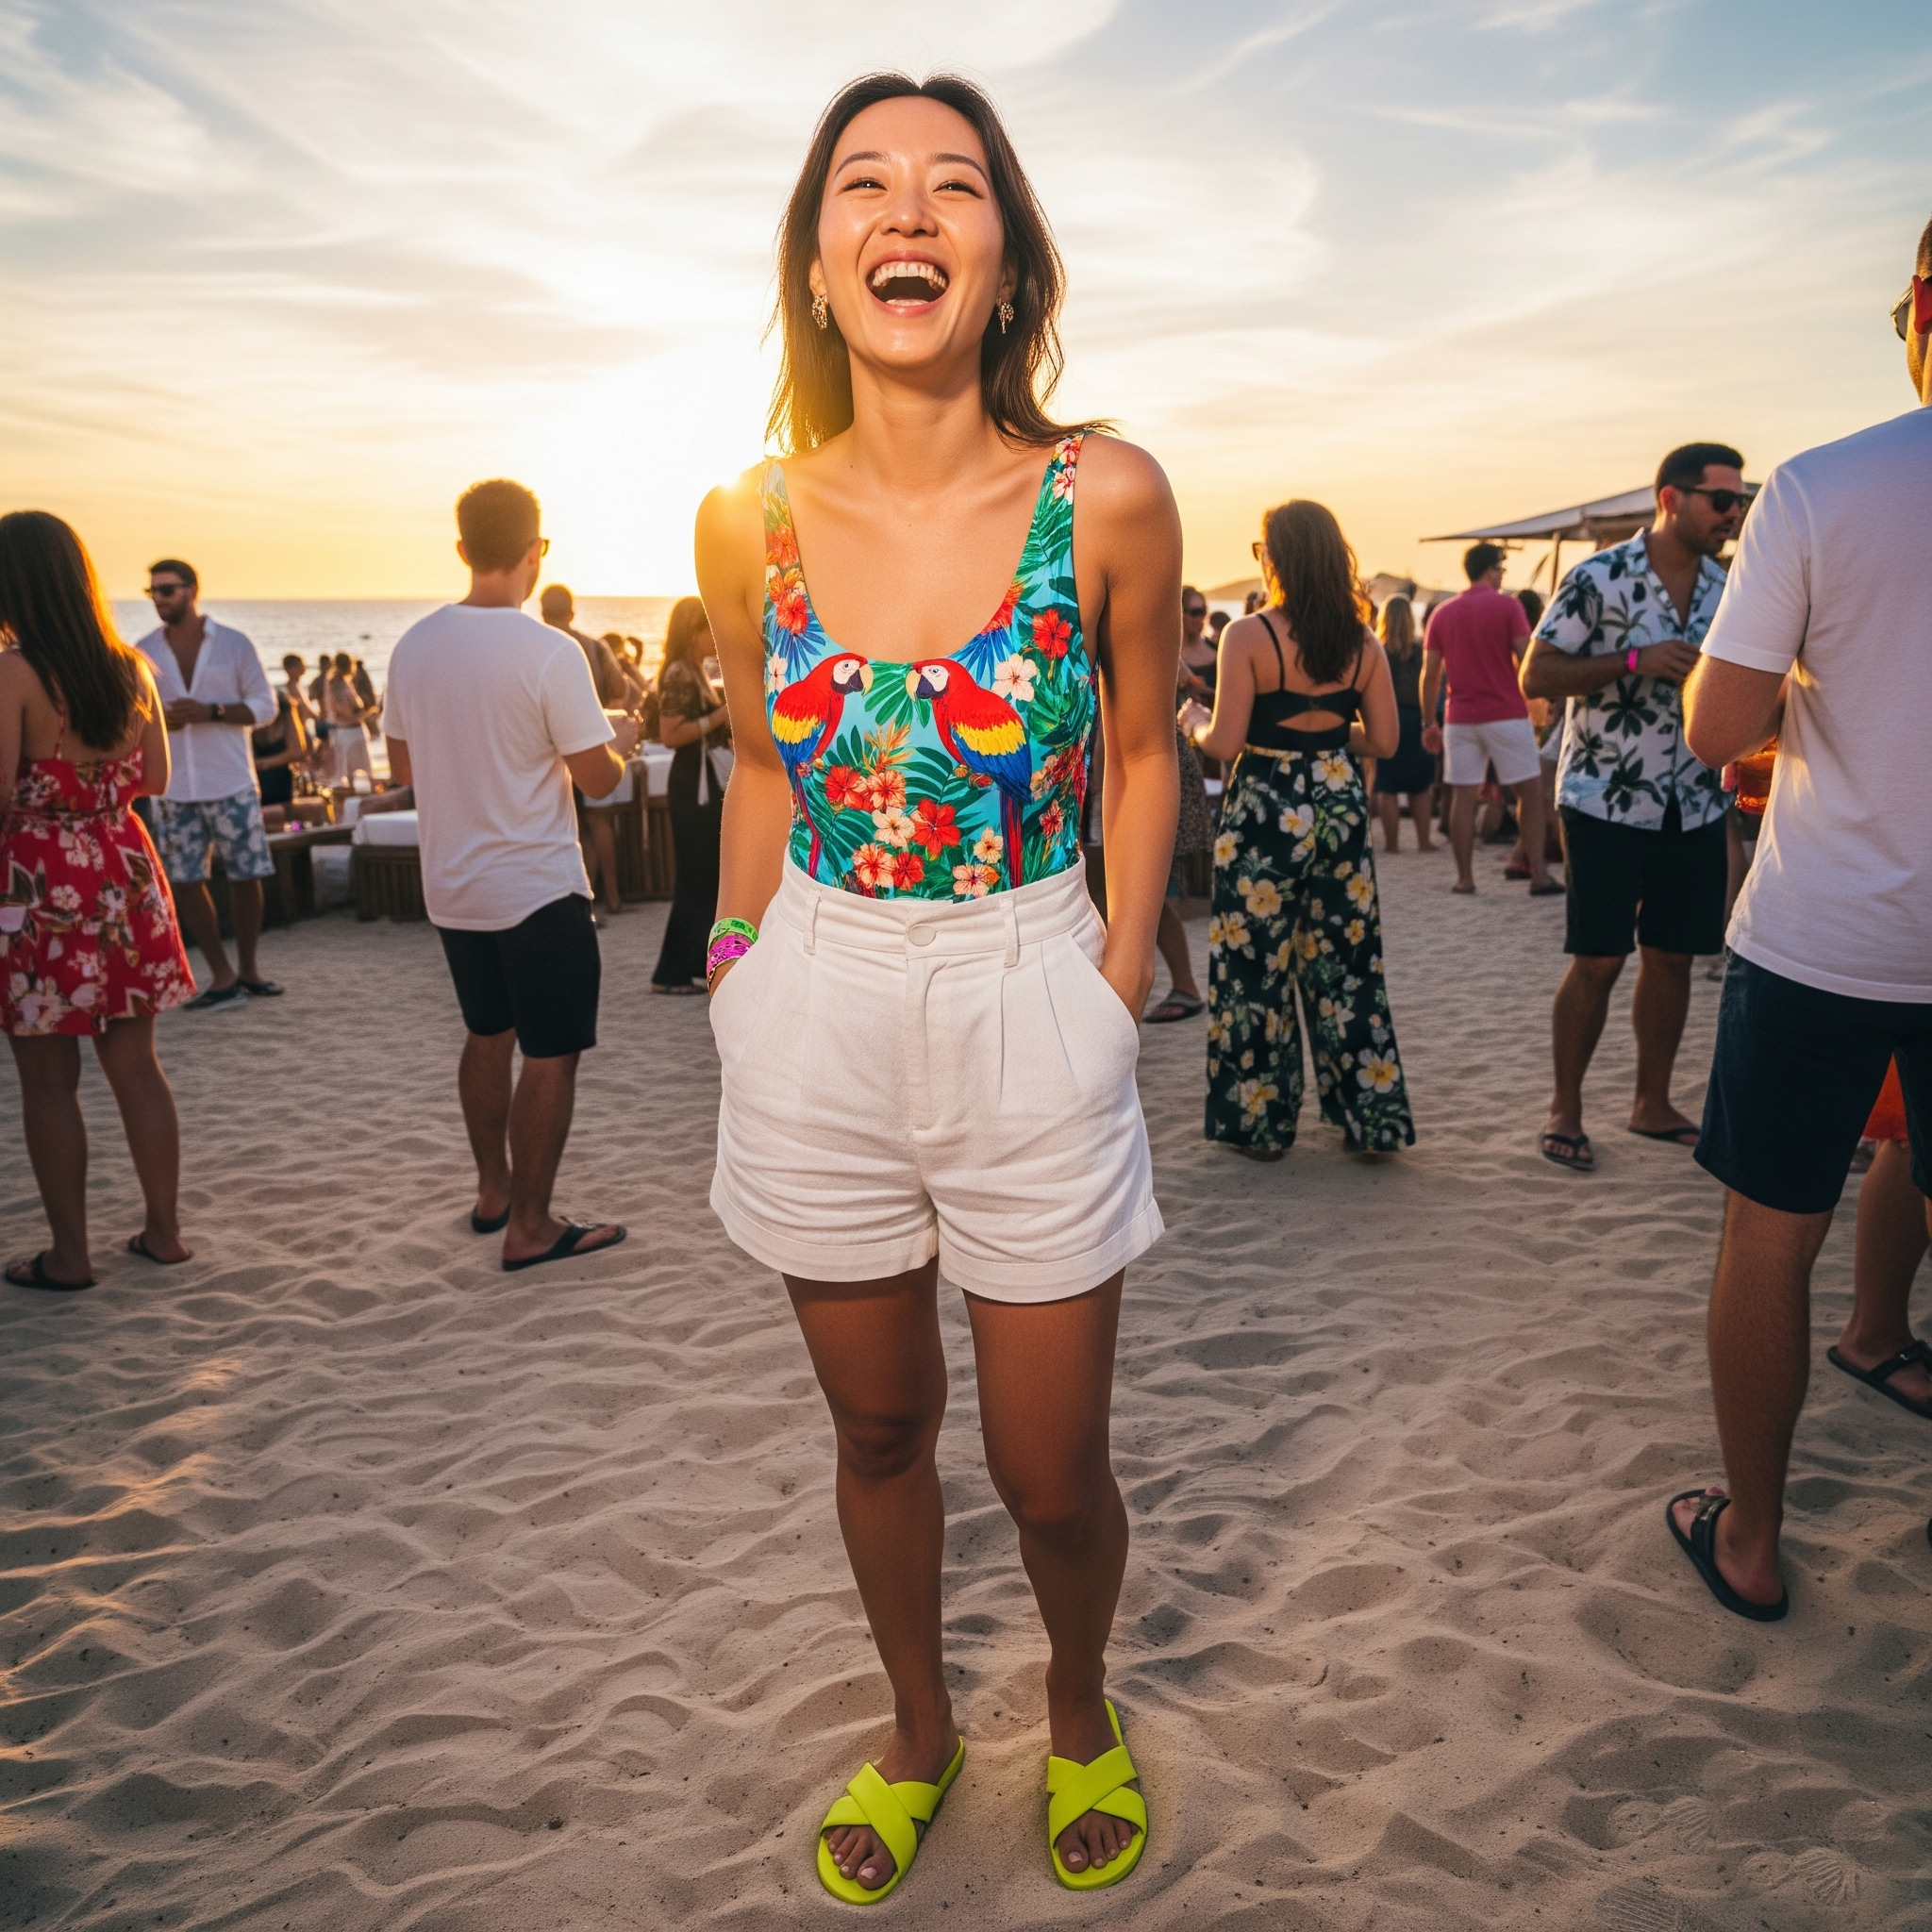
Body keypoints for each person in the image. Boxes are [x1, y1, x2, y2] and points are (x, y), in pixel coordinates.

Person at [693, 74, 1178, 1901]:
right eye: (865, 187)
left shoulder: (1104, 495)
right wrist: (740, 971)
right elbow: (756, 762)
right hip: (811, 995)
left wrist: (1114, 981)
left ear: (1006, 257)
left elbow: (1142, 756)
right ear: (819, 268)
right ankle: (918, 1722)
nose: (909, 213)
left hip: (1027, 982)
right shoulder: (748, 522)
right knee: (879, 1424)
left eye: (956, 186)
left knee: (1055, 1473)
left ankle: (1076, 1705)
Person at [1665, 239, 1932, 1621]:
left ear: (1923, 312)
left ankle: (1754, 1541)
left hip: (1829, 932)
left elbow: (1716, 725)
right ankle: (1883, 1342)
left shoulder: (1827, 486)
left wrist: (1811, 710)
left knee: (1771, 1238)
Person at [384, 479, 641, 1271]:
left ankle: (494, 1191)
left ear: (462, 550)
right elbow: (600, 783)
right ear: (538, 552)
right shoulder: (550, 653)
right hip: (534, 884)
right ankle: (531, 1225)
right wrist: (622, 737)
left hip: (453, 889)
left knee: (486, 1034)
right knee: (551, 1051)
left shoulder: (413, 646)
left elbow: (402, 765)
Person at [1519, 443, 1745, 1172]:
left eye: (1738, 502)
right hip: (1605, 796)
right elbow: (1538, 671)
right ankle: (1566, 1110)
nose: (1733, 514)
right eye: (1721, 500)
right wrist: (1632, 661)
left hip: (1695, 798)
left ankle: (1652, 1103)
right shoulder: (1600, 577)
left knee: (1674, 955)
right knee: (1599, 959)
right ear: (1671, 498)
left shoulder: (1731, 586)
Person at [1182, 500, 1414, 1159]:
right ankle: (1370, 1122)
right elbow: (1389, 742)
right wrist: (1333, 737)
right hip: (1337, 801)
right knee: (1347, 966)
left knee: (1254, 965)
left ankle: (1260, 1124)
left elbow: (1225, 742)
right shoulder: (1362, 642)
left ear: (1275, 558)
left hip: (1265, 805)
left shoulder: (1249, 636)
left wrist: (1191, 721)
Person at [0, 512, 196, 1289]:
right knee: (137, 1065)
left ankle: (70, 1256)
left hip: (42, 880)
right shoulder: (130, 667)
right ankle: (165, 1233)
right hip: (123, 868)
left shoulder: (13, 672)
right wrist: (96, 794)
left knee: (48, 1082)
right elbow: (156, 780)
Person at [135, 558, 283, 1009]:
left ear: (191, 590)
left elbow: (266, 706)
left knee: (247, 874)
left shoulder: (234, 645)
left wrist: (213, 711)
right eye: (153, 592)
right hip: (174, 788)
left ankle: (250, 969)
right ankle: (220, 974)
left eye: (167, 590)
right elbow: (131, 719)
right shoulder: (142, 652)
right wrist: (161, 721)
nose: (159, 599)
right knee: (184, 879)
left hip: (231, 780)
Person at [1419, 542, 1557, 896]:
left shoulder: (1443, 614)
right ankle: (1538, 874)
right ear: (1491, 569)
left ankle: (1465, 878)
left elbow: (1430, 673)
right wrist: (1542, 701)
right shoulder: (1508, 607)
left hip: (1460, 716)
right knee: (1529, 791)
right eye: (1501, 569)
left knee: (1463, 797)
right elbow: (1527, 660)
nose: (1502, 576)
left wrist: (1427, 722)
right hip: (1506, 712)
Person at [541, 584, 641, 915]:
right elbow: (622, 691)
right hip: (590, 744)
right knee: (600, 824)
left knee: (569, 828)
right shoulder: (594, 648)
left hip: (549, 757)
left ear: (542, 612)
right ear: (571, 611)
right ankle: (610, 898)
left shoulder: (536, 649)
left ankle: (582, 905)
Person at [650, 596, 732, 991]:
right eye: (708, 629)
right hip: (691, 784)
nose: (714, 638)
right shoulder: (680, 674)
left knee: (703, 877)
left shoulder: (693, 670)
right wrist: (720, 714)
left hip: (698, 782)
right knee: (695, 877)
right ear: (693, 631)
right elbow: (671, 735)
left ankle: (691, 966)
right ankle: (672, 972)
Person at [1371, 594, 1435, 853]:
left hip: (1388, 719)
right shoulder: (1421, 651)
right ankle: (1423, 841)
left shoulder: (1379, 652)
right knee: (1420, 785)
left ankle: (1392, 844)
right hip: (1416, 718)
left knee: (1388, 785)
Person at [251, 657, 310, 819]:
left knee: (284, 819)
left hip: (278, 781)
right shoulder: (244, 709)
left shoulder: (284, 705)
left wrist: (262, 764)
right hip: (255, 783)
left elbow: (298, 750)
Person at [321, 651, 375, 787]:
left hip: (342, 732)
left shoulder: (333, 682)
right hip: (352, 732)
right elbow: (348, 714)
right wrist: (371, 713)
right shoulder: (341, 686)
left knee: (349, 772)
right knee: (361, 772)